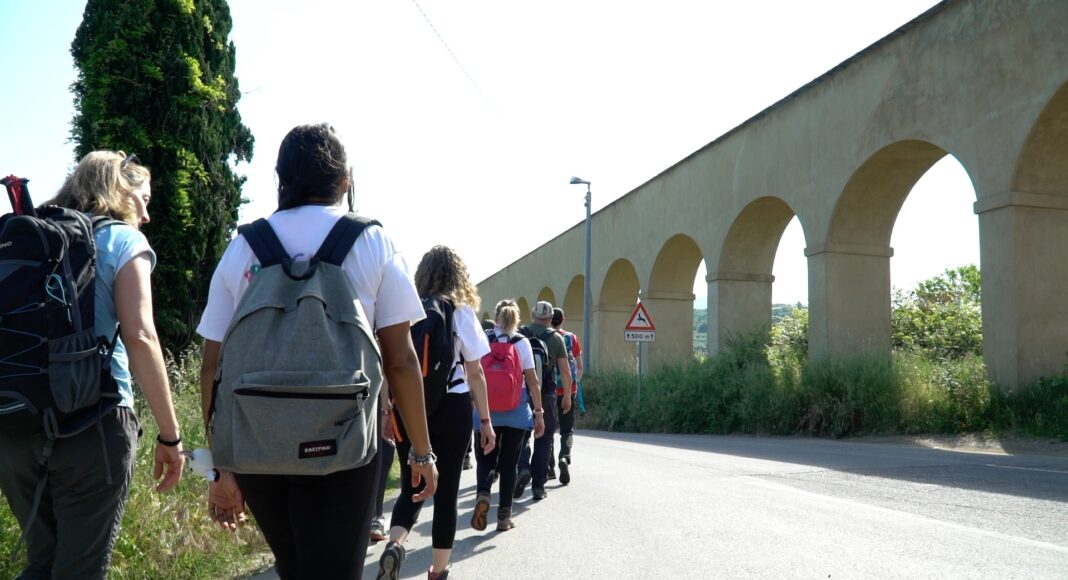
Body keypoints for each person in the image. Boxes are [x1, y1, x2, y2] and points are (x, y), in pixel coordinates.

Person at [197, 123, 437, 580]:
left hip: (257, 445)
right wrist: (421, 453)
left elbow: (212, 367)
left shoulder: (242, 246)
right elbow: (402, 360)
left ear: (279, 179)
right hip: (343, 445)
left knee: (293, 568)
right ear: (344, 182)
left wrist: (220, 467)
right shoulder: (372, 241)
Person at [0, 151, 185, 578]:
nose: (147, 213)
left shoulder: (34, 239)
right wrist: (171, 438)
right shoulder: (123, 240)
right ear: (120, 191)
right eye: (144, 198)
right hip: (95, 422)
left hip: (15, 424)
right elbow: (140, 337)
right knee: (80, 570)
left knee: (42, 561)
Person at [377, 245, 495, 580]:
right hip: (452, 409)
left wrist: (389, 409)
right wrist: (485, 421)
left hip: (407, 408)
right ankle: (438, 571)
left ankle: (396, 544)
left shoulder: (407, 312)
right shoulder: (461, 313)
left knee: (412, 484)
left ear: (422, 275)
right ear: (459, 276)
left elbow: (392, 365)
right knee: (446, 493)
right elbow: (475, 373)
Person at [471, 299, 545, 532]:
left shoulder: (484, 338)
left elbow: (472, 374)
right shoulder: (522, 342)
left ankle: (483, 493)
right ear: (516, 318)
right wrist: (539, 413)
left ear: (496, 316)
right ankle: (503, 516)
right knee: (509, 463)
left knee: (484, 458)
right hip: (516, 413)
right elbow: (532, 381)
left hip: (485, 412)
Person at [515, 301, 573, 501]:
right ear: (550, 319)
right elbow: (565, 370)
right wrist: (566, 395)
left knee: (521, 434)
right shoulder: (556, 339)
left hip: (520, 392)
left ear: (532, 315)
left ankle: (522, 468)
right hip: (546, 393)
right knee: (545, 437)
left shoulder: (519, 334)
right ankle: (538, 487)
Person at [548, 307, 582, 485]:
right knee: (566, 429)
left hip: (548, 392)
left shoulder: (543, 337)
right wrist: (575, 384)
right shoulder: (571, 338)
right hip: (569, 391)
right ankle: (565, 456)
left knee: (548, 431)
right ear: (563, 320)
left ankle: (550, 467)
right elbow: (579, 366)